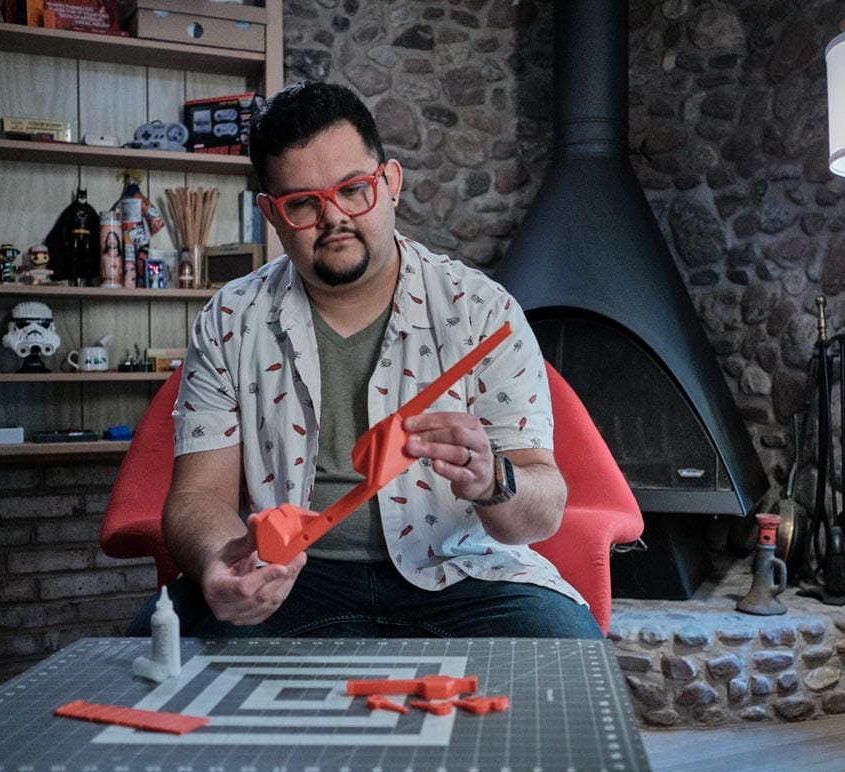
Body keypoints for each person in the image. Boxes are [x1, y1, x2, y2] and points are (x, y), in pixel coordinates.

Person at [130, 81, 600, 640]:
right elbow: (197, 497)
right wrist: (218, 563)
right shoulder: (231, 319)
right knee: (159, 648)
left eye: (354, 189)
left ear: (391, 183)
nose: (334, 219)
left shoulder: (481, 311)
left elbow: (542, 512)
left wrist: (494, 477)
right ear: (271, 215)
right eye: (302, 203)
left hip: (463, 576)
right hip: (293, 580)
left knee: (564, 646)